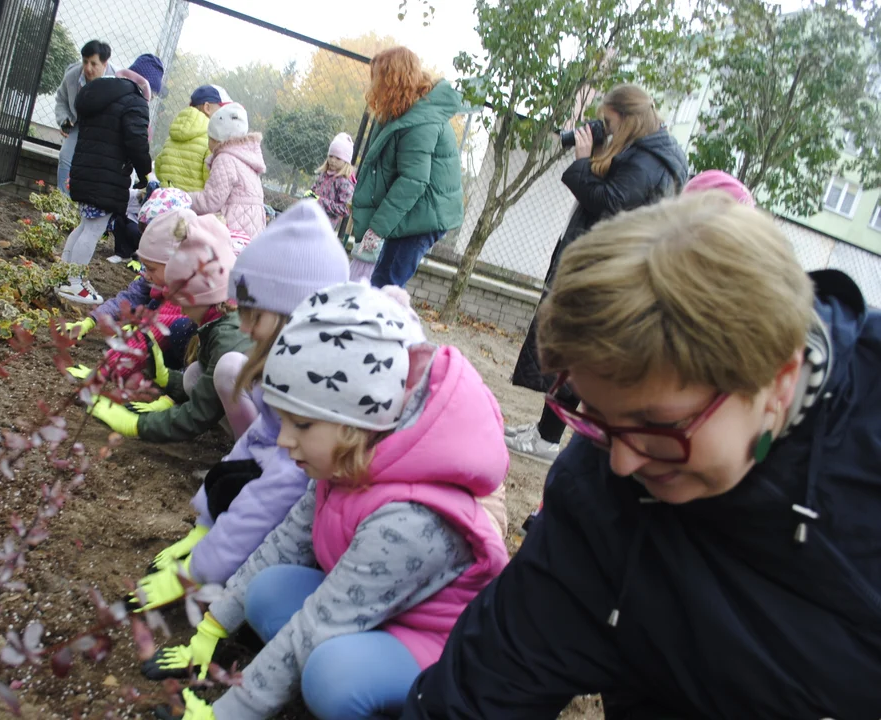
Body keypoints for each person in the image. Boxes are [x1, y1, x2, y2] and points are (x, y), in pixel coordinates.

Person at [401, 191, 881, 719]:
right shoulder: (598, 491)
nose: (622, 464)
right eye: (596, 416)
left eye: (658, 424)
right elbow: (479, 691)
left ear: (780, 383)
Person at [152, 282, 510, 720]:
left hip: (431, 644)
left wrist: (224, 713)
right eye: (283, 420)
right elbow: (284, 542)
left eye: (301, 425)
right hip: (370, 607)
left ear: (355, 422)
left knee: (331, 677)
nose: (284, 441)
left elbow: (320, 622)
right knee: (266, 592)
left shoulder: (412, 521)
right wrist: (209, 630)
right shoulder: (347, 457)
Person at [127, 201, 351, 628]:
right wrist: (205, 519)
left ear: (293, 312)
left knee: (262, 604)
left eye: (254, 314)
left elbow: (276, 492)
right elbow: (256, 443)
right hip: (315, 495)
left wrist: (198, 570)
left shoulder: (316, 387)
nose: (244, 327)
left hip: (345, 530)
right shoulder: (289, 357)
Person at [507, 83, 688, 463]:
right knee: (569, 357)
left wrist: (584, 159)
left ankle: (548, 441)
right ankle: (544, 433)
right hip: (602, 265)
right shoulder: (645, 152)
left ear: (627, 118)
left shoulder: (650, 160)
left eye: (608, 120)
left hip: (606, 271)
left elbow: (610, 204)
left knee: (575, 359)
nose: (602, 126)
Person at [86, 213, 255, 442]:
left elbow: (198, 413)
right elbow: (204, 386)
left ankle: (251, 456)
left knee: (225, 370)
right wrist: (167, 379)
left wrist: (137, 425)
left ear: (198, 296)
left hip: (280, 432)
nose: (180, 310)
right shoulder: (217, 319)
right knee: (194, 374)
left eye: (180, 301)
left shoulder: (228, 337)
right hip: (258, 405)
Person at [349, 47, 464, 288]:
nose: (374, 86)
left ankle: (384, 323)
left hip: (426, 214)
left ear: (394, 80)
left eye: (379, 78)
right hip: (415, 211)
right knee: (382, 279)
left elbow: (412, 181)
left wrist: (378, 228)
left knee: (386, 283)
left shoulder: (421, 121)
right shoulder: (408, 113)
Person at [56, 54, 163, 305]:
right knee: (93, 229)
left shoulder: (104, 90)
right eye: (155, 92)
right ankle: (74, 283)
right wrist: (146, 174)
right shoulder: (135, 101)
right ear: (148, 84)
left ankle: (62, 276)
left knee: (84, 225)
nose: (153, 98)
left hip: (86, 169)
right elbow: (136, 141)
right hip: (106, 176)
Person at [64, 205, 199, 392]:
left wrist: (103, 370)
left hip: (198, 365)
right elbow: (127, 299)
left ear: (176, 264)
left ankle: (176, 381)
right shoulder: (165, 277)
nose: (147, 275)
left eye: (151, 268)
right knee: (151, 304)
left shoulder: (187, 292)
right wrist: (90, 320)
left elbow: (150, 334)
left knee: (175, 326)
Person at [190, 103, 267, 238]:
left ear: (216, 139)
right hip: (251, 231)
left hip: (231, 229)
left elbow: (211, 201)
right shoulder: (246, 157)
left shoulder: (225, 159)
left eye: (209, 137)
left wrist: (185, 198)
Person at [54, 40, 115, 196]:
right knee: (65, 156)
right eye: (85, 61)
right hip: (78, 123)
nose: (88, 68)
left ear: (105, 63)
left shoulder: (115, 81)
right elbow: (61, 99)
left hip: (102, 130)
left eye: (93, 64)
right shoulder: (72, 76)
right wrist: (64, 120)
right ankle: (63, 201)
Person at [153, 85, 232, 192]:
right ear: (207, 108)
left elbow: (158, 167)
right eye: (222, 109)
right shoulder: (211, 139)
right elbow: (211, 179)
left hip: (167, 202)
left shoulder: (173, 135)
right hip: (193, 206)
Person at [308, 132, 356, 231]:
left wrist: (321, 202)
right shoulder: (324, 174)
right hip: (310, 219)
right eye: (331, 156)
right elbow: (315, 189)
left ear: (346, 161)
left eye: (338, 158)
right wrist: (310, 194)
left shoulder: (345, 182)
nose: (333, 160)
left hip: (324, 227)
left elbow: (345, 209)